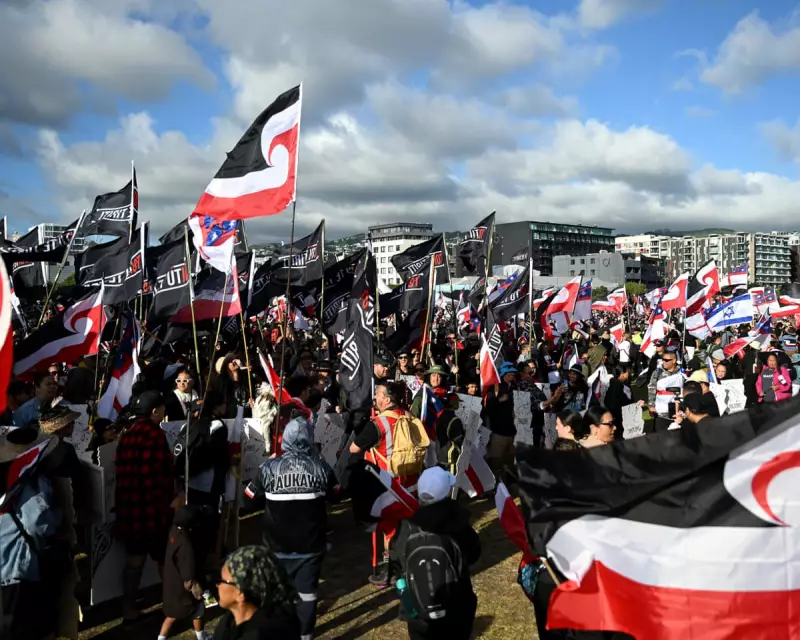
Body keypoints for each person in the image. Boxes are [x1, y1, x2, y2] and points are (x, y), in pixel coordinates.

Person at [244, 416, 341, 638]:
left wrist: (265, 470)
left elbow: (249, 501)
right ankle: (304, 635)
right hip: (310, 546)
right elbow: (337, 495)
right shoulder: (321, 466)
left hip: (276, 546)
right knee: (307, 595)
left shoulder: (269, 467)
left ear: (285, 439)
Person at [396, 467, 481, 640]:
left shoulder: (407, 526)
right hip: (457, 608)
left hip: (418, 610)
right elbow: (474, 553)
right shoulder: (458, 522)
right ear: (447, 492)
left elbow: (398, 561)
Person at [114, 390, 175, 623]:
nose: (165, 411)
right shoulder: (154, 434)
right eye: (162, 407)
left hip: (129, 508)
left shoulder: (127, 434)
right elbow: (157, 476)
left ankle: (128, 608)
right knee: (165, 559)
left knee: (134, 561)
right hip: (153, 509)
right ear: (154, 411)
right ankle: (171, 604)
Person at [214, 546, 301, 639]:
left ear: (240, 593)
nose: (217, 585)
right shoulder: (229, 622)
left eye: (222, 580)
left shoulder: (262, 634)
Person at [159, 506, 211, 640]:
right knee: (198, 611)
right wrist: (199, 592)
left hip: (172, 583)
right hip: (183, 589)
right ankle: (201, 637)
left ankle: (161, 638)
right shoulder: (185, 544)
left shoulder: (173, 532)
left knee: (171, 615)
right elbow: (188, 573)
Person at [484, 362, 517, 476]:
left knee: (509, 464)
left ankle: (507, 483)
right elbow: (487, 408)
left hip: (512, 433)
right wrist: (499, 400)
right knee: (496, 463)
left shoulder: (515, 387)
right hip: (498, 433)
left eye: (513, 372)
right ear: (503, 374)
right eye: (509, 373)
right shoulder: (495, 387)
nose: (512, 375)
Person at [435, 393, 465, 475]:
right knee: (451, 481)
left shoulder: (440, 416)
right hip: (450, 458)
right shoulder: (454, 420)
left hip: (440, 455)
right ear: (453, 403)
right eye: (457, 402)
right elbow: (458, 439)